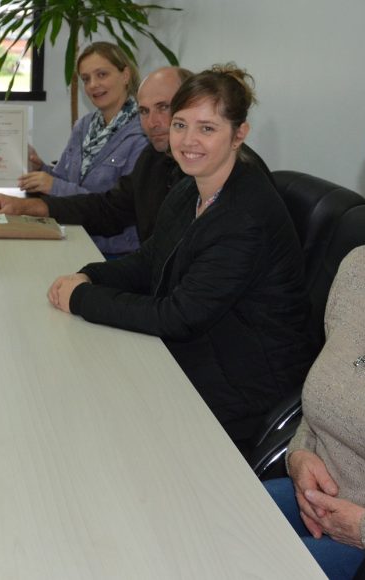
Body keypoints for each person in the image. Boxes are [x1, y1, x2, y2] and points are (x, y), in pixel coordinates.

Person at [47, 65, 314, 447]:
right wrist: (89, 276)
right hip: (203, 353)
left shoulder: (246, 214)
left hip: (246, 388)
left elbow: (178, 317)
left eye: (207, 128)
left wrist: (82, 299)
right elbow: (150, 258)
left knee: (103, 416)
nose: (188, 141)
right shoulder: (191, 188)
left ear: (239, 134)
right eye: (180, 125)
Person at [263, 104, 365, 579]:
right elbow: (326, 392)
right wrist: (300, 455)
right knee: (206, 519)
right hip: (314, 492)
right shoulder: (360, 269)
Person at [0, 67, 192, 245]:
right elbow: (109, 208)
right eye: (144, 111)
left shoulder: (151, 146)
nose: (152, 122)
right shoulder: (153, 157)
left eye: (163, 107)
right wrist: (28, 205)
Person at [18, 42, 148, 255]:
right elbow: (63, 179)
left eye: (102, 74)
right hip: (71, 235)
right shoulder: (84, 126)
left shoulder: (143, 133)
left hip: (114, 251)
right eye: (86, 79)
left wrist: (54, 186)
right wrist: (40, 168)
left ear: (125, 75)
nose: (93, 85)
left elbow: (117, 207)